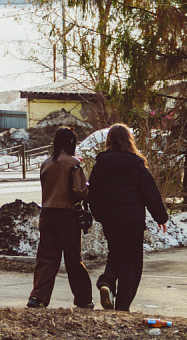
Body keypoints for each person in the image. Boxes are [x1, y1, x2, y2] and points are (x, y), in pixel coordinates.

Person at [88, 123, 168, 311]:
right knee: (131, 263)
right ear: (128, 140)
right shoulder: (137, 165)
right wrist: (161, 217)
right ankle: (122, 306)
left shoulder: (100, 165)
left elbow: (93, 194)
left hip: (111, 220)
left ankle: (107, 281)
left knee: (116, 253)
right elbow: (151, 194)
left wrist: (100, 215)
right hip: (132, 221)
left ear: (109, 141)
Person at [27, 126, 94, 309]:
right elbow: (79, 191)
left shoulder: (46, 164)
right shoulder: (73, 163)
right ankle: (83, 299)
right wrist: (89, 189)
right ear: (72, 142)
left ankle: (37, 297)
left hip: (47, 214)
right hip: (67, 216)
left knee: (47, 258)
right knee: (73, 259)